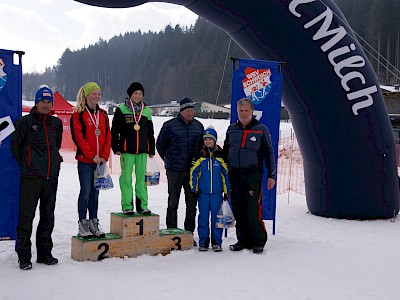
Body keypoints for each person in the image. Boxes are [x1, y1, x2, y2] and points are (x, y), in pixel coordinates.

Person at [10, 86, 63, 270]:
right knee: (26, 217)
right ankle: (24, 256)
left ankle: (44, 253)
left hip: (50, 178)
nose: (46, 105)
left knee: (48, 217)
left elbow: (56, 145)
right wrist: (27, 165)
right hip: (30, 178)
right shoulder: (25, 122)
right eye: (43, 101)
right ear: (36, 102)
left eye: (49, 102)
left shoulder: (55, 124)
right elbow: (15, 147)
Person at [222, 97, 276, 254]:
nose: (243, 113)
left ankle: (258, 241)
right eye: (241, 111)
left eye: (246, 110)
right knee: (238, 208)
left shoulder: (261, 129)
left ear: (252, 111)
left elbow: (269, 153)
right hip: (235, 175)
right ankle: (242, 240)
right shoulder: (232, 129)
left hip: (253, 174)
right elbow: (226, 152)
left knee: (252, 208)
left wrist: (271, 175)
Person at [156, 97, 204, 242]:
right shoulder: (169, 125)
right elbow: (160, 145)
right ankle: (172, 233)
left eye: (192, 110)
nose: (190, 113)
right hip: (174, 170)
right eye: (187, 111)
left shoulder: (198, 126)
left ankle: (189, 234)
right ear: (181, 111)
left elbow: (202, 147)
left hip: (192, 172)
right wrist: (169, 160)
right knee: (173, 203)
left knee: (191, 204)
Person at [70, 82, 111, 239]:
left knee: (95, 193)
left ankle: (94, 222)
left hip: (100, 161)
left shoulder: (103, 114)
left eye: (99, 94)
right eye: (94, 94)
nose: (97, 97)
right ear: (86, 95)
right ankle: (83, 223)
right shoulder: (78, 114)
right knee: (86, 192)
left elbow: (108, 136)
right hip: (86, 161)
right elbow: (79, 139)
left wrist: (104, 156)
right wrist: (92, 155)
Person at [111, 82, 155, 215]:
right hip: (127, 150)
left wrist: (151, 149)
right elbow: (114, 130)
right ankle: (127, 206)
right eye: (135, 93)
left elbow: (150, 132)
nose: (138, 96)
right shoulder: (122, 109)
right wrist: (116, 146)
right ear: (130, 94)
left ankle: (142, 206)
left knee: (141, 179)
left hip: (142, 150)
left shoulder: (146, 110)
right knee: (126, 179)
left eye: (140, 93)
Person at [190, 127, 229, 252]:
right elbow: (193, 173)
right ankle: (204, 241)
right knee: (203, 217)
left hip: (217, 193)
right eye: (205, 139)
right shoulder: (200, 155)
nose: (208, 141)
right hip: (203, 194)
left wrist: (226, 191)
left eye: (210, 139)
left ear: (215, 140)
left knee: (217, 218)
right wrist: (194, 188)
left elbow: (225, 175)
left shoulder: (220, 156)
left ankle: (217, 241)